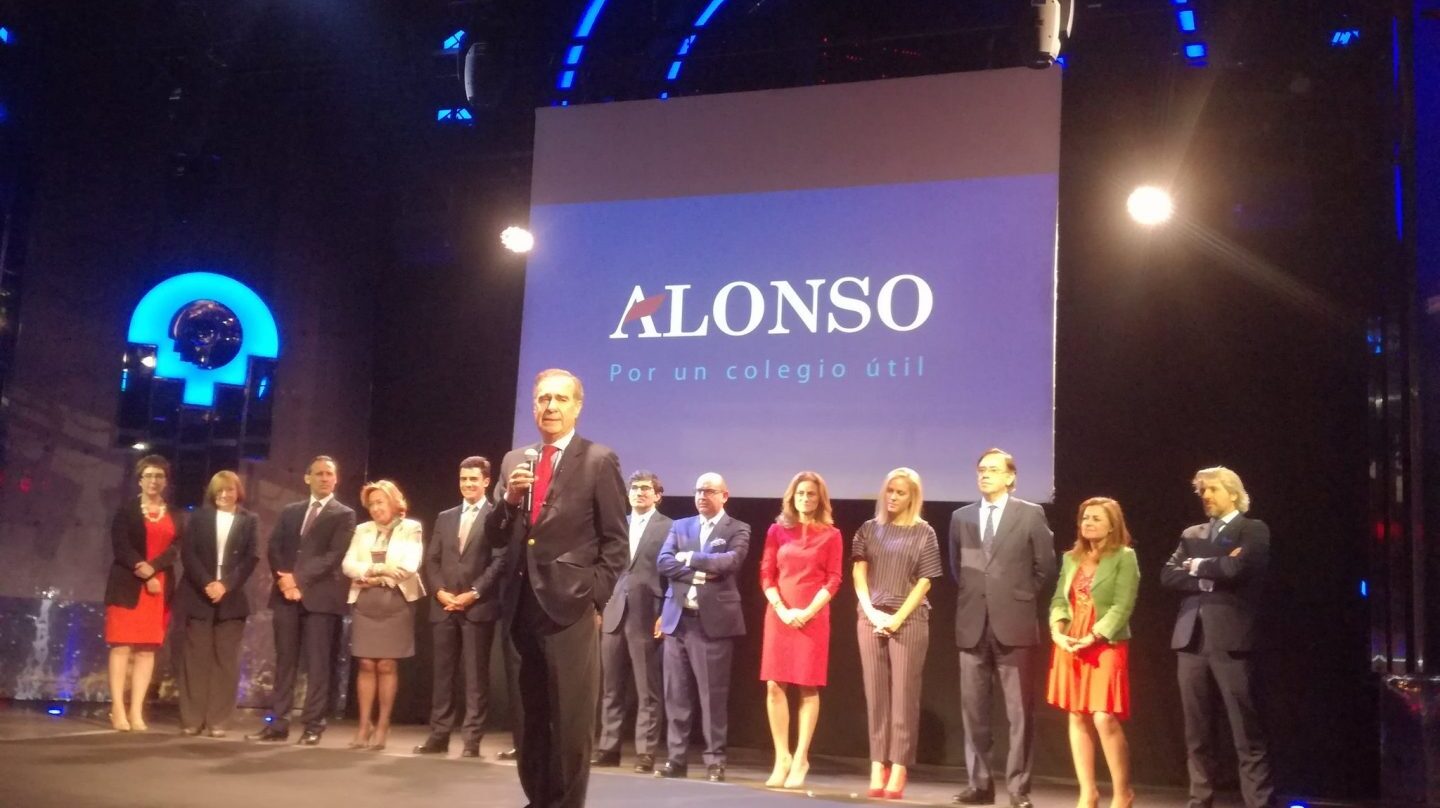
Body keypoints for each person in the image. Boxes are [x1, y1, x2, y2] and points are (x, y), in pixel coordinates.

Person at [484, 368, 628, 808]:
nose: (551, 407)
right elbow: (494, 535)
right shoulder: (514, 461)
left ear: (577, 407)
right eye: (544, 398)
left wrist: (593, 594)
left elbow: (617, 543)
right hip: (519, 605)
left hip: (569, 608)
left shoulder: (598, 460)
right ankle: (537, 798)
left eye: (561, 399)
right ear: (533, 406)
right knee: (528, 718)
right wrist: (508, 501)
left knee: (569, 720)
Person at [1162, 466, 1276, 808]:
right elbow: (1168, 575)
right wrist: (1211, 570)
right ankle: (1200, 800)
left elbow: (1238, 569)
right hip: (1190, 640)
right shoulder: (1192, 533)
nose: (1205, 497)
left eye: (1212, 490)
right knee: (1196, 730)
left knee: (1245, 730)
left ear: (1232, 492)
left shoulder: (1252, 530)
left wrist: (1195, 566)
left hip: (1231, 640)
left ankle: (1258, 802)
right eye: (1202, 492)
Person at [950, 448, 1056, 808]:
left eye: (993, 470)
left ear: (1011, 476)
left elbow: (1045, 567)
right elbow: (958, 569)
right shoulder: (961, 517)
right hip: (972, 625)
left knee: (1019, 714)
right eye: (981, 470)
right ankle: (980, 785)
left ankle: (1018, 789)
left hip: (1014, 625)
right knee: (974, 712)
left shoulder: (1029, 514)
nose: (985, 475)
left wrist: (1016, 597)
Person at [247, 455, 357, 745]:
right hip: (286, 598)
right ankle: (277, 723)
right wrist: (284, 580)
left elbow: (333, 556)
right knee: (285, 662)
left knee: (318, 666)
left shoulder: (344, 514)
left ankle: (313, 726)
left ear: (336, 479)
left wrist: (298, 580)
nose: (324, 478)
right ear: (307, 478)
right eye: (318, 473)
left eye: (329, 474)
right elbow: (275, 547)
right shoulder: (291, 511)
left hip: (321, 600)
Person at [655, 472, 751, 783]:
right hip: (677, 621)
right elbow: (663, 563)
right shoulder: (680, 526)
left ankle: (714, 762)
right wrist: (698, 572)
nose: (701, 496)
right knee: (676, 695)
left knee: (712, 696)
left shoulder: (737, 528)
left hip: (713, 626)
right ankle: (676, 759)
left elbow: (730, 562)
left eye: (709, 491)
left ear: (725, 495)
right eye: (698, 490)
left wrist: (691, 557)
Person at [853, 467, 943, 799]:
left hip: (909, 620)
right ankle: (878, 764)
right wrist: (872, 610)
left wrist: (897, 617)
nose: (893, 497)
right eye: (890, 490)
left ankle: (900, 767)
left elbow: (925, 581)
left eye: (900, 492)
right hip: (870, 617)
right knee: (876, 695)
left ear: (912, 497)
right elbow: (859, 572)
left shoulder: (925, 533)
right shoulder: (868, 529)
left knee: (904, 695)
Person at [1046, 497, 1140, 808]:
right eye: (1085, 518)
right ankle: (1088, 792)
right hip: (1071, 640)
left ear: (1112, 524)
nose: (1088, 523)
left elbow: (1122, 606)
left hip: (1105, 642)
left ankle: (1122, 792)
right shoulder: (1071, 558)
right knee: (1077, 714)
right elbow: (1059, 599)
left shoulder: (1125, 557)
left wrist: (1095, 635)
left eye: (1096, 518)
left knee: (1103, 716)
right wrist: (1058, 631)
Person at [414, 456, 505, 759]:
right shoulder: (445, 516)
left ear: (486, 482)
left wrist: (474, 593)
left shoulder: (496, 517)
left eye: (473, 479)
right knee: (442, 675)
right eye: (463, 479)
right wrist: (439, 591)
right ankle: (439, 735)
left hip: (477, 608)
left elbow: (498, 562)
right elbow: (433, 559)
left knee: (475, 678)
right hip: (444, 606)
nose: (467, 484)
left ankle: (471, 740)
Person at [759, 471, 843, 790]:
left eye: (811, 494)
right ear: (791, 498)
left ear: (820, 499)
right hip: (779, 614)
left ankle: (801, 757)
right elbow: (767, 574)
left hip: (813, 617)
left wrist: (807, 612)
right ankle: (781, 756)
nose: (805, 499)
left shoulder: (831, 534)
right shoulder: (777, 531)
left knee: (808, 686)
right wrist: (781, 608)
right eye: (800, 494)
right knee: (773, 685)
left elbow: (834, 579)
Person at [594, 470, 674, 773]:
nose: (639, 492)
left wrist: (666, 613)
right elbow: (604, 569)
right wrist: (597, 607)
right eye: (635, 488)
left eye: (646, 488)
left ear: (657, 495)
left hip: (647, 612)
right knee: (611, 687)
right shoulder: (617, 525)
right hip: (614, 610)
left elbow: (673, 576)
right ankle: (608, 747)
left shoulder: (669, 527)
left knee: (647, 688)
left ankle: (645, 752)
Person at [342, 479, 424, 751]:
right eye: (372, 504)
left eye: (381, 502)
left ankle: (383, 724)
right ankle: (363, 725)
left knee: (387, 664)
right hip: (366, 602)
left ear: (393, 502)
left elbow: (408, 567)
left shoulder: (410, 528)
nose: (376, 509)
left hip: (396, 602)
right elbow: (348, 565)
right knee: (366, 663)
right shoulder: (362, 530)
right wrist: (379, 571)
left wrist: (372, 572)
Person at [177, 470, 259, 737]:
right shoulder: (199, 517)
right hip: (199, 595)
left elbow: (251, 558)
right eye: (219, 491)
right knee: (196, 660)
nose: (224, 495)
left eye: (230, 490)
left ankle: (218, 721)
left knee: (226, 662)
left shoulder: (249, 520)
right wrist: (208, 583)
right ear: (213, 493)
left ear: (238, 492)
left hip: (232, 599)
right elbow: (188, 554)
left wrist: (226, 585)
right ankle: (192, 719)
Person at [104, 454, 183, 732]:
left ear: (165, 481)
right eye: (149, 475)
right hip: (127, 585)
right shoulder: (126, 511)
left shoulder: (174, 513)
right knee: (122, 647)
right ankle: (117, 708)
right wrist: (144, 571)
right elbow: (121, 546)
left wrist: (154, 570)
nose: (154, 481)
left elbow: (175, 549)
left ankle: (136, 710)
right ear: (140, 480)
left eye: (159, 476)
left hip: (159, 589)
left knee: (147, 651)